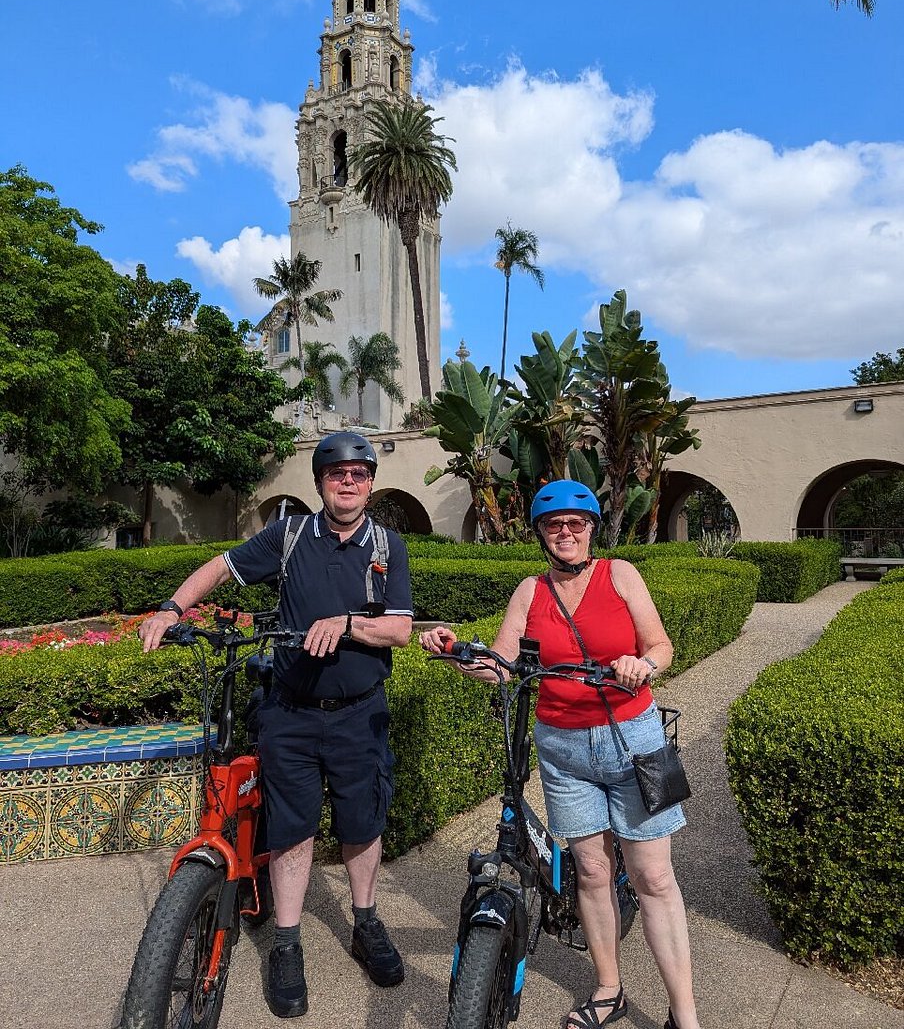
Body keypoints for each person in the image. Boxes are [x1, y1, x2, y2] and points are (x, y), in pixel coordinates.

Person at [139, 431, 413, 1019]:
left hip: (359, 711)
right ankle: (286, 942)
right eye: (337, 473)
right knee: (291, 827)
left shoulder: (386, 544)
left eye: (359, 473)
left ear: (369, 482)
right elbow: (221, 566)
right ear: (319, 482)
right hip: (289, 712)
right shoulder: (289, 536)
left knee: (362, 821)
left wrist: (344, 624)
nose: (349, 481)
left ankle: (365, 921)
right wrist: (171, 607)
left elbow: (398, 630)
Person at [420, 480, 700, 1029]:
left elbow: (660, 645)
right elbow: (501, 664)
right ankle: (608, 989)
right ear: (541, 534)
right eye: (554, 525)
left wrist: (643, 665)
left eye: (577, 523)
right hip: (563, 749)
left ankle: (685, 1015)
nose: (566, 532)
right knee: (592, 872)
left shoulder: (620, 575)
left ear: (592, 529)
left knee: (653, 877)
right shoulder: (531, 590)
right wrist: (455, 652)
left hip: (632, 741)